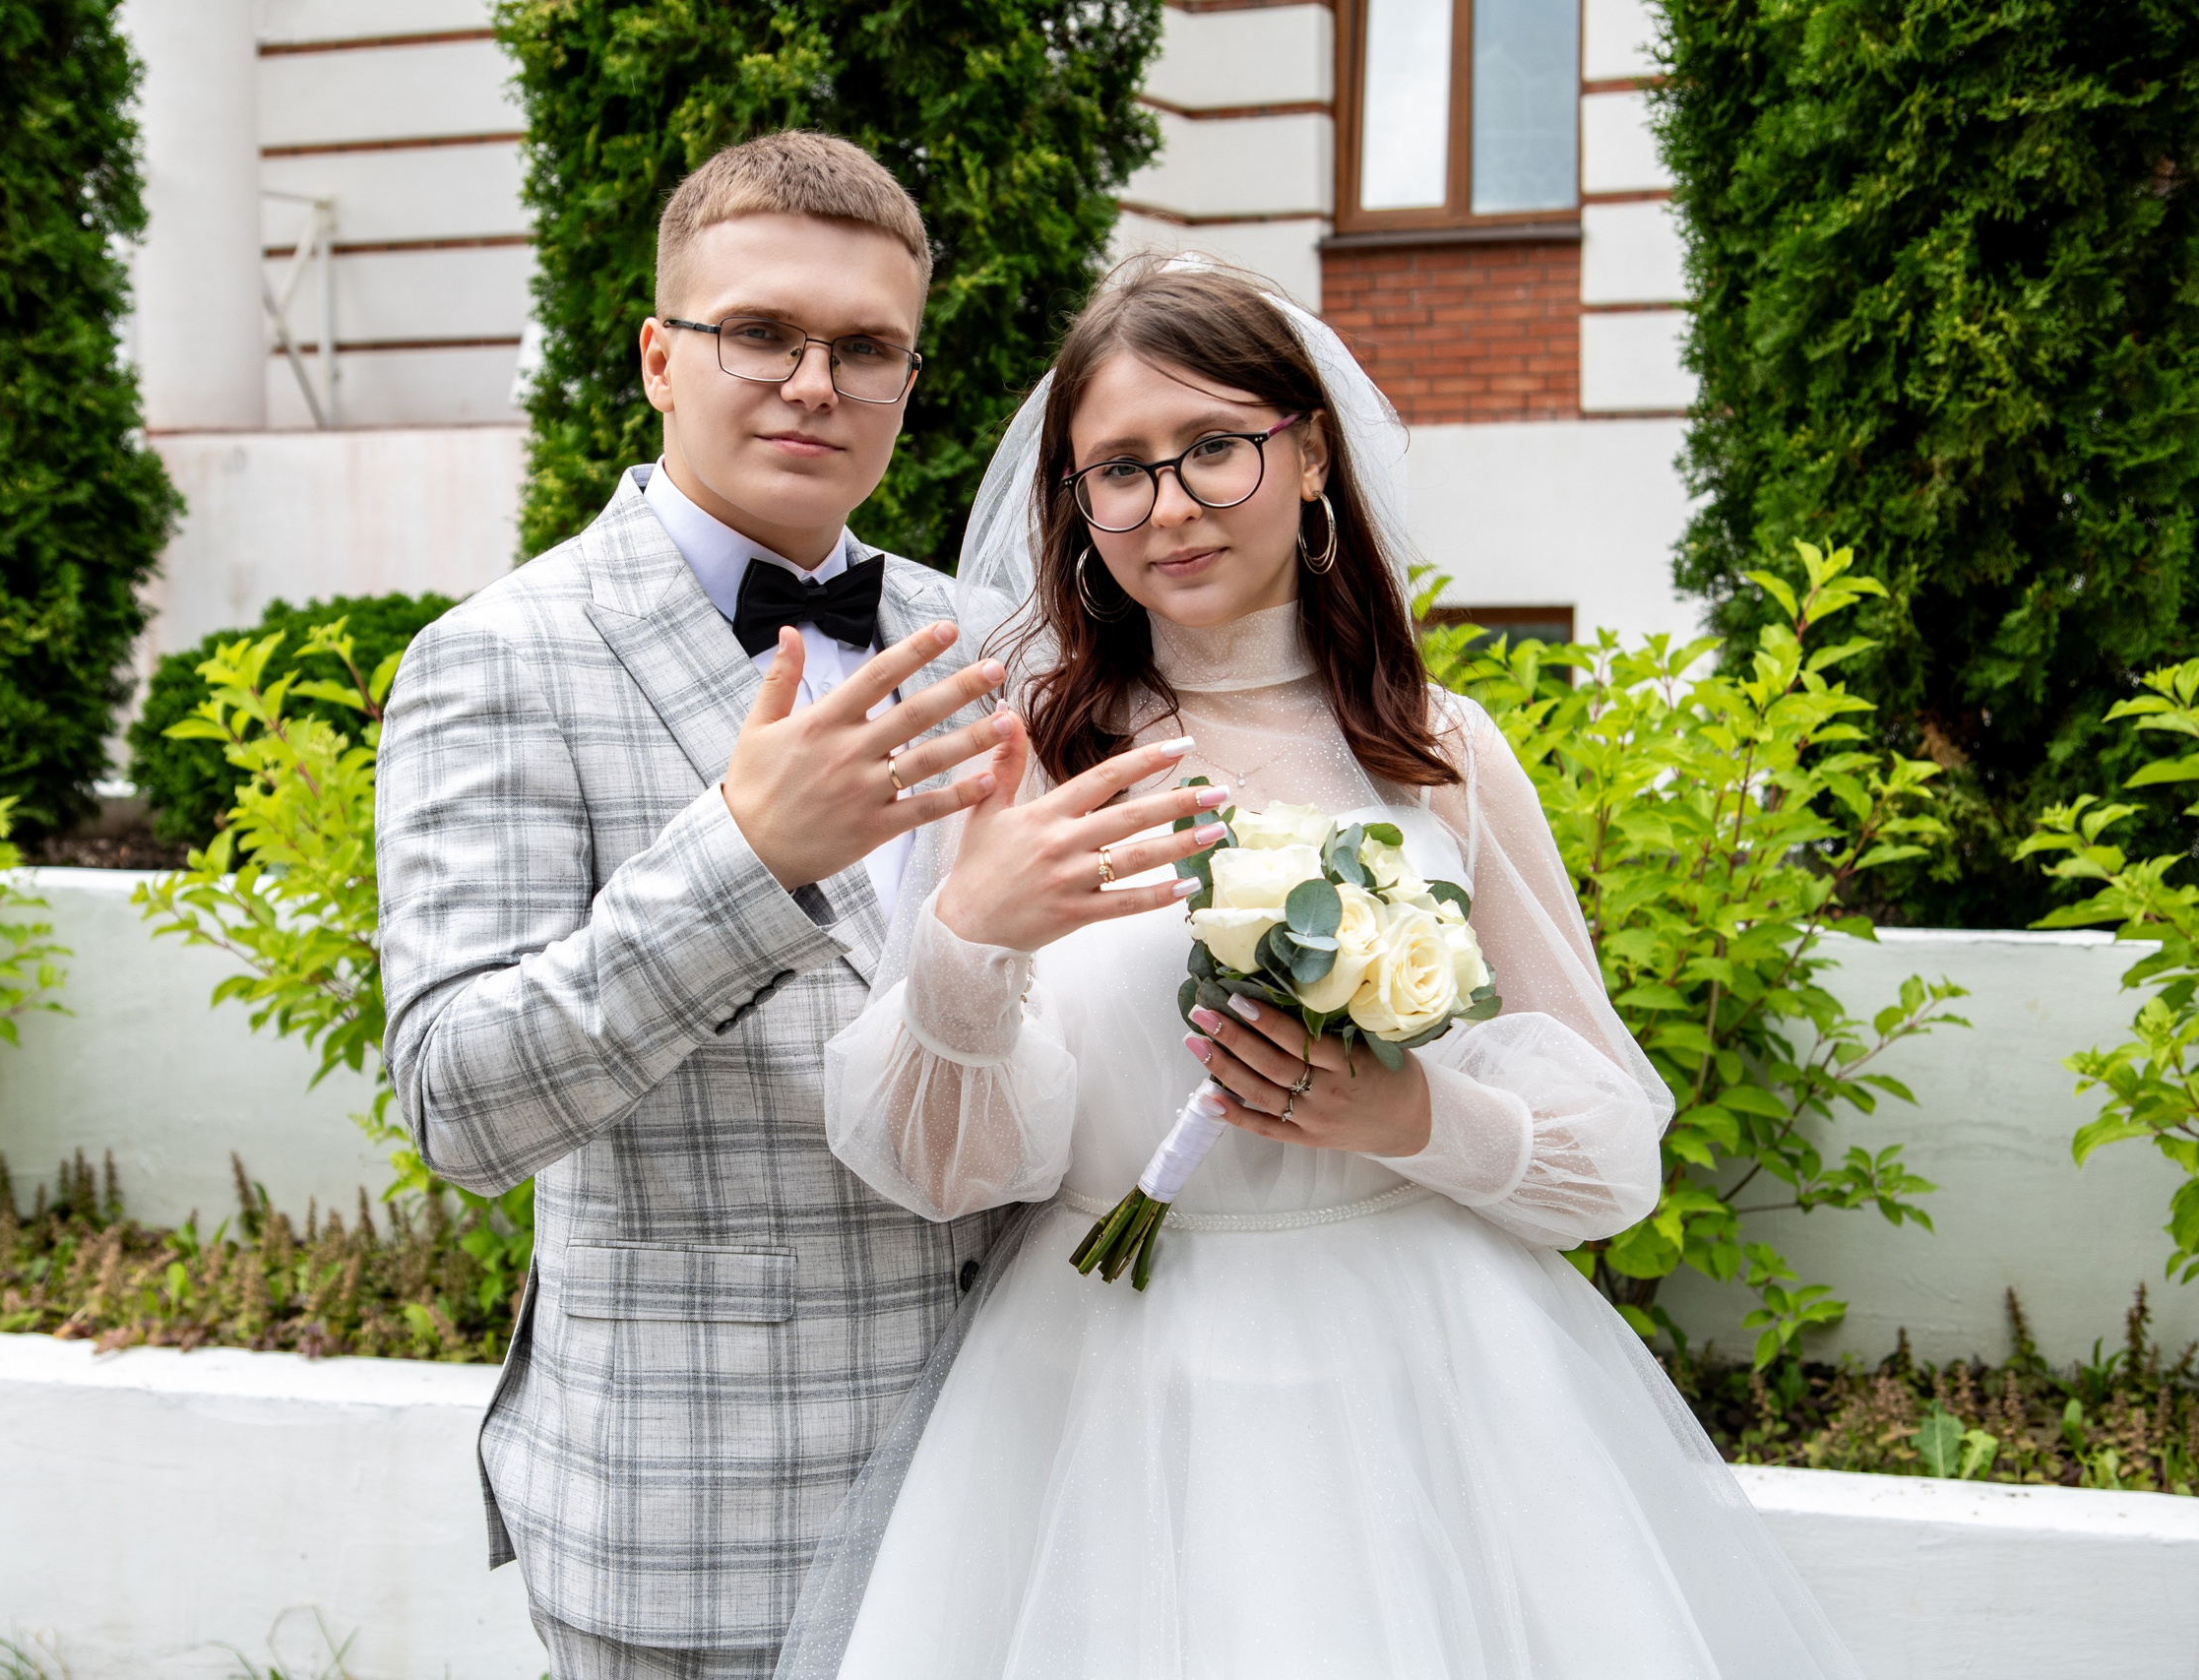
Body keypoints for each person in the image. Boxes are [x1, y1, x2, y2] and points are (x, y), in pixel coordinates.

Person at [783, 260, 1865, 1679]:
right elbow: (945, 1171)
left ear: (1306, 457)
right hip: (1101, 1389)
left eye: (1213, 449)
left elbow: (1610, 1158)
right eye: (1117, 470)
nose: (1168, 506)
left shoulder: (1440, 752)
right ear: (1077, 508)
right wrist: (969, 943)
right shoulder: (1030, 759)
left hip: (1434, 1381)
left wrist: (1412, 1118)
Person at [373, 133, 1139, 1679]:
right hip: (699, 1524)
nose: (814, 382)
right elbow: (459, 1104)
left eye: (866, 349)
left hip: (1016, 1472)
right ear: (662, 356)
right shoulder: (501, 657)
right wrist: (747, 854)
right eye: (762, 334)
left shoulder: (989, 636)